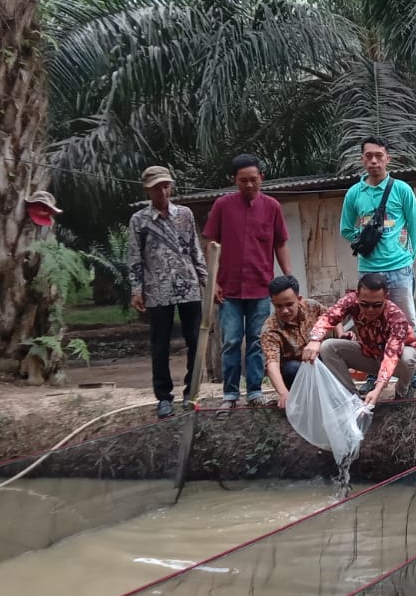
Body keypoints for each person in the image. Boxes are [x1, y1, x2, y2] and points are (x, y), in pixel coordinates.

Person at [203, 154, 292, 407]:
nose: (249, 185)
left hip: (262, 288)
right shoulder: (222, 206)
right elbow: (211, 244)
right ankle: (230, 394)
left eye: (254, 180)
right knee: (231, 341)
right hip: (228, 290)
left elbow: (280, 243)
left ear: (261, 178)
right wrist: (214, 282)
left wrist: (288, 279)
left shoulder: (272, 206)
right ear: (235, 181)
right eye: (243, 181)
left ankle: (254, 391)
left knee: (256, 340)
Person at [341, 136, 416, 389]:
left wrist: (409, 257)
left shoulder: (401, 189)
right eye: (369, 156)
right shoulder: (355, 193)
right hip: (368, 269)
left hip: (399, 268)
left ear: (388, 158)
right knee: (368, 323)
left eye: (379, 155)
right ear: (362, 159)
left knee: (407, 320)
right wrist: (363, 239)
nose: (374, 161)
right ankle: (372, 374)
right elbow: (346, 228)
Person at [126, 165, 209, 418]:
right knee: (160, 343)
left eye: (166, 185)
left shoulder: (184, 214)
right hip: (157, 289)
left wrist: (206, 280)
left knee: (195, 340)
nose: (162, 191)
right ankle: (163, 397)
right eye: (156, 187)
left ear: (171, 186)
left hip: (188, 286)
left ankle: (191, 392)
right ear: (148, 190)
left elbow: (196, 248)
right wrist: (136, 289)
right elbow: (134, 256)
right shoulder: (139, 220)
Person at [302, 272, 416, 407]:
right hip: (371, 354)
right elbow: (330, 316)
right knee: (327, 347)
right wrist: (314, 340)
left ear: (386, 298)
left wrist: (377, 390)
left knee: (407, 358)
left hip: (399, 360)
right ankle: (352, 399)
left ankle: (403, 391)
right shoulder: (350, 300)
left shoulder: (396, 316)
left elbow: (392, 354)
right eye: (364, 304)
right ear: (357, 295)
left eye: (377, 305)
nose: (370, 309)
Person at [259, 275, 325, 411]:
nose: (285, 311)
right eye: (278, 306)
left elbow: (331, 316)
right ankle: (303, 401)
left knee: (331, 350)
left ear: (299, 300)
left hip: (319, 362)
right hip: (296, 374)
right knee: (291, 368)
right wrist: (283, 393)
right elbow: (272, 364)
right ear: (272, 303)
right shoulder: (270, 329)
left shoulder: (312, 306)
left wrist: (342, 334)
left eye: (289, 304)